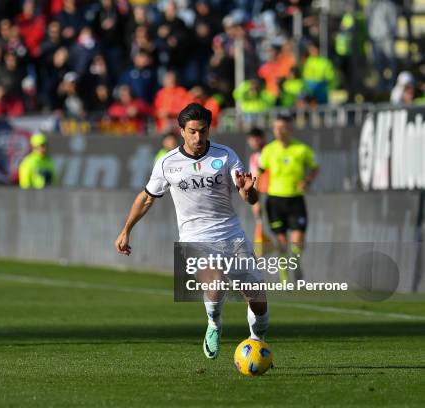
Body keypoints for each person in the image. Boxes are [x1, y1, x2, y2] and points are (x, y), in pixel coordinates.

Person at [115, 103, 269, 360]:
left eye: (203, 131)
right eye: (193, 132)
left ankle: (257, 344)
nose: (198, 138)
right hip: (195, 238)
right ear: (182, 131)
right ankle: (214, 322)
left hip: (232, 235)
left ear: (209, 129)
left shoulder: (226, 155)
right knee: (216, 284)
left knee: (258, 301)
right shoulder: (167, 163)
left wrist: (249, 189)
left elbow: (249, 198)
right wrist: (126, 230)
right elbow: (147, 198)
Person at [259, 115, 319, 283]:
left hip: (295, 199)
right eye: (275, 128)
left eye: (282, 128)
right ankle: (284, 276)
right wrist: (256, 199)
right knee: (282, 241)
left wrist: (307, 181)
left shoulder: (302, 149)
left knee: (298, 240)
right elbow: (260, 173)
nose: (278, 131)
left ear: (290, 130)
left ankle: (296, 262)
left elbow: (315, 168)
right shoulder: (268, 150)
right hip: (275, 200)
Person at [246, 127, 270, 255]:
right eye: (250, 139)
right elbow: (254, 179)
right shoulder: (254, 157)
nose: (253, 142)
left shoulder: (270, 152)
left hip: (272, 194)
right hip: (260, 195)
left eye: (255, 139)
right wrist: (255, 200)